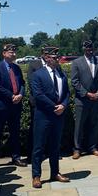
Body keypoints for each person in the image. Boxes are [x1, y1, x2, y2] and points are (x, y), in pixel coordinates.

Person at [30, 46, 70, 188]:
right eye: (53, 58)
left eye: (57, 57)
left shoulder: (61, 74)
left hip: (58, 116)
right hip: (44, 116)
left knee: (55, 146)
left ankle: (55, 172)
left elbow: (67, 94)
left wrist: (63, 106)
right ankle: (36, 176)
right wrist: (55, 107)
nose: (56, 60)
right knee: (39, 147)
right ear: (47, 58)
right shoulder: (38, 74)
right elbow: (38, 95)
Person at [0, 44, 27, 171]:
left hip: (16, 106)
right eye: (10, 52)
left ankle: (16, 157)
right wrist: (12, 96)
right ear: (4, 54)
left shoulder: (16, 68)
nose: (13, 54)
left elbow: (22, 83)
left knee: (15, 132)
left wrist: (21, 94)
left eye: (14, 52)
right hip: (2, 105)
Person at [71, 40, 98, 159]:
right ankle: (77, 149)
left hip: (96, 99)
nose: (90, 51)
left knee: (94, 124)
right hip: (82, 100)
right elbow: (75, 81)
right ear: (84, 49)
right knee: (79, 125)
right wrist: (87, 94)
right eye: (87, 49)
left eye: (91, 49)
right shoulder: (76, 62)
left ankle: (93, 147)